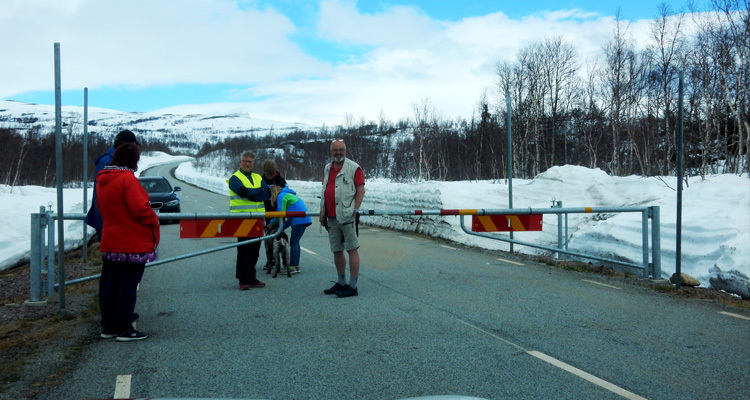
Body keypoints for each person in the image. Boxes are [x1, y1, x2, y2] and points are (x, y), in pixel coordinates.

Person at [96, 142, 159, 342]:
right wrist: (153, 218)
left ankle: (109, 325)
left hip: (111, 237)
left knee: (111, 283)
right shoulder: (127, 180)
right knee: (129, 285)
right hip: (132, 241)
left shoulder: (103, 180)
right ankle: (125, 328)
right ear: (134, 160)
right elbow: (140, 209)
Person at [319, 139, 365, 298]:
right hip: (331, 216)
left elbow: (361, 191)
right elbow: (325, 190)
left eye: (341, 150)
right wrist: (322, 212)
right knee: (336, 250)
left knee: (351, 249)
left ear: (346, 151)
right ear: (331, 152)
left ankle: (352, 286)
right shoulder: (327, 168)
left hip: (347, 216)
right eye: (335, 150)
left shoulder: (354, 168)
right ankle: (341, 282)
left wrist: (354, 210)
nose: (338, 153)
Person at [85, 130, 140, 240]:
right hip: (110, 221)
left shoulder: (113, 159)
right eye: (133, 146)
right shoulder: (110, 161)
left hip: (110, 220)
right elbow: (108, 192)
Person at [227, 151, 270, 290]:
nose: (248, 163)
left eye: (250, 162)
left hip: (257, 219)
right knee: (244, 250)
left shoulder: (257, 177)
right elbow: (244, 193)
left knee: (255, 250)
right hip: (242, 219)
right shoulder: (234, 178)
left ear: (254, 163)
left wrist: (255, 194)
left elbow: (268, 193)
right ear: (240, 162)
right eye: (245, 161)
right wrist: (259, 192)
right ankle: (242, 279)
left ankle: (251, 278)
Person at [269, 185, 312, 274]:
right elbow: (289, 219)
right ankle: (296, 266)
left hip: (299, 219)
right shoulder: (289, 195)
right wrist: (281, 227)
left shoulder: (281, 196)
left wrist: (272, 223)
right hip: (304, 218)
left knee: (294, 243)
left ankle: (292, 267)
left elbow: (281, 213)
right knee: (296, 242)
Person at [261, 159, 287, 271]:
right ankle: (270, 261)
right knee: (268, 238)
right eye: (268, 173)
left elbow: (287, 193)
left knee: (280, 237)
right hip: (266, 211)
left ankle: (285, 260)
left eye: (271, 172)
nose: (270, 175)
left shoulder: (280, 180)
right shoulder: (261, 180)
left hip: (279, 211)